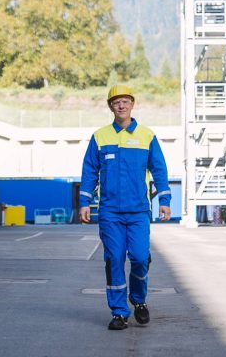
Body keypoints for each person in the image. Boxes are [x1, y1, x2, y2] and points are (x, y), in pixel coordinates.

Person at [79, 85, 171, 330]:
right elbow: (89, 171)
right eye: (116, 102)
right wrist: (84, 202)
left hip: (139, 211)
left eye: (125, 101)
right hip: (110, 212)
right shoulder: (100, 137)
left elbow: (159, 170)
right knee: (114, 259)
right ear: (110, 106)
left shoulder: (147, 136)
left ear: (132, 104)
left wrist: (165, 201)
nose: (121, 105)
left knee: (140, 258)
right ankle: (119, 312)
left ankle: (138, 300)